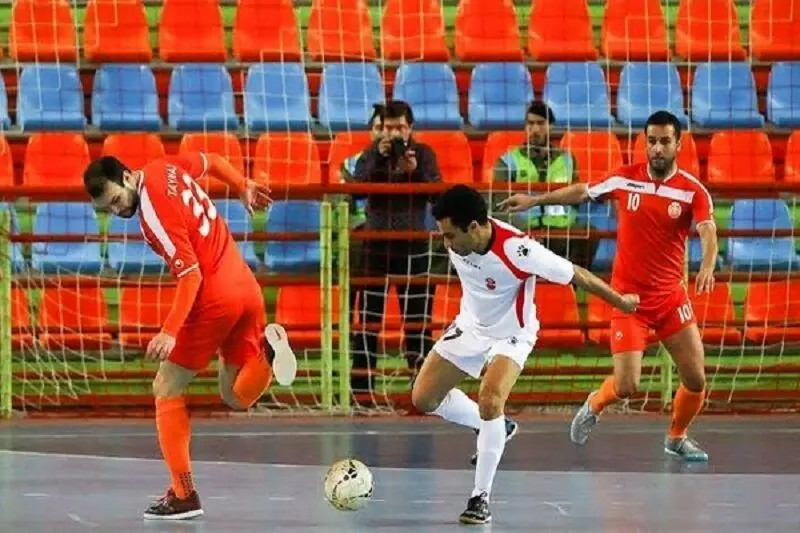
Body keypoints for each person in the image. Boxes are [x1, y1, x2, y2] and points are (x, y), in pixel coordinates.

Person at [83, 152, 298, 520]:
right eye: (109, 209)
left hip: (214, 296)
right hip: (244, 283)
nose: (118, 211)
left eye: (117, 200)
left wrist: (170, 331)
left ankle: (184, 495)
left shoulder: (152, 214)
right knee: (235, 396)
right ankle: (268, 353)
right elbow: (211, 160)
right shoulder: (163, 167)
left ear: (127, 176)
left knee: (166, 387)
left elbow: (190, 275)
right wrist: (241, 184)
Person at [412, 185, 639, 524]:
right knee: (423, 399)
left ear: (473, 227)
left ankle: (479, 497)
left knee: (490, 399)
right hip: (471, 326)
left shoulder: (519, 250)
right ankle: (496, 428)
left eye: (450, 236)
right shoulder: (461, 239)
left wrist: (620, 302)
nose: (446, 243)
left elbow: (578, 275)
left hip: (512, 332)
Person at [499, 110, 718, 462]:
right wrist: (536, 200)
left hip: (671, 299)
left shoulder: (692, 190)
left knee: (696, 379)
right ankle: (595, 403)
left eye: (664, 141)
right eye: (651, 141)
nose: (657, 148)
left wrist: (707, 265)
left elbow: (708, 231)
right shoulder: (625, 178)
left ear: (678, 144)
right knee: (627, 386)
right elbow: (582, 192)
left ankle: (677, 437)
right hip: (628, 300)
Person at [351, 100, 440, 392]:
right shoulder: (370, 154)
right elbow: (355, 192)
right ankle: (362, 390)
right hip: (375, 247)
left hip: (414, 247)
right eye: (388, 128)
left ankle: (423, 391)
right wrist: (379, 158)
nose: (394, 133)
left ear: (410, 128)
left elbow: (438, 197)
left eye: (400, 127)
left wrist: (415, 171)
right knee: (368, 322)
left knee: (418, 324)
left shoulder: (424, 154)